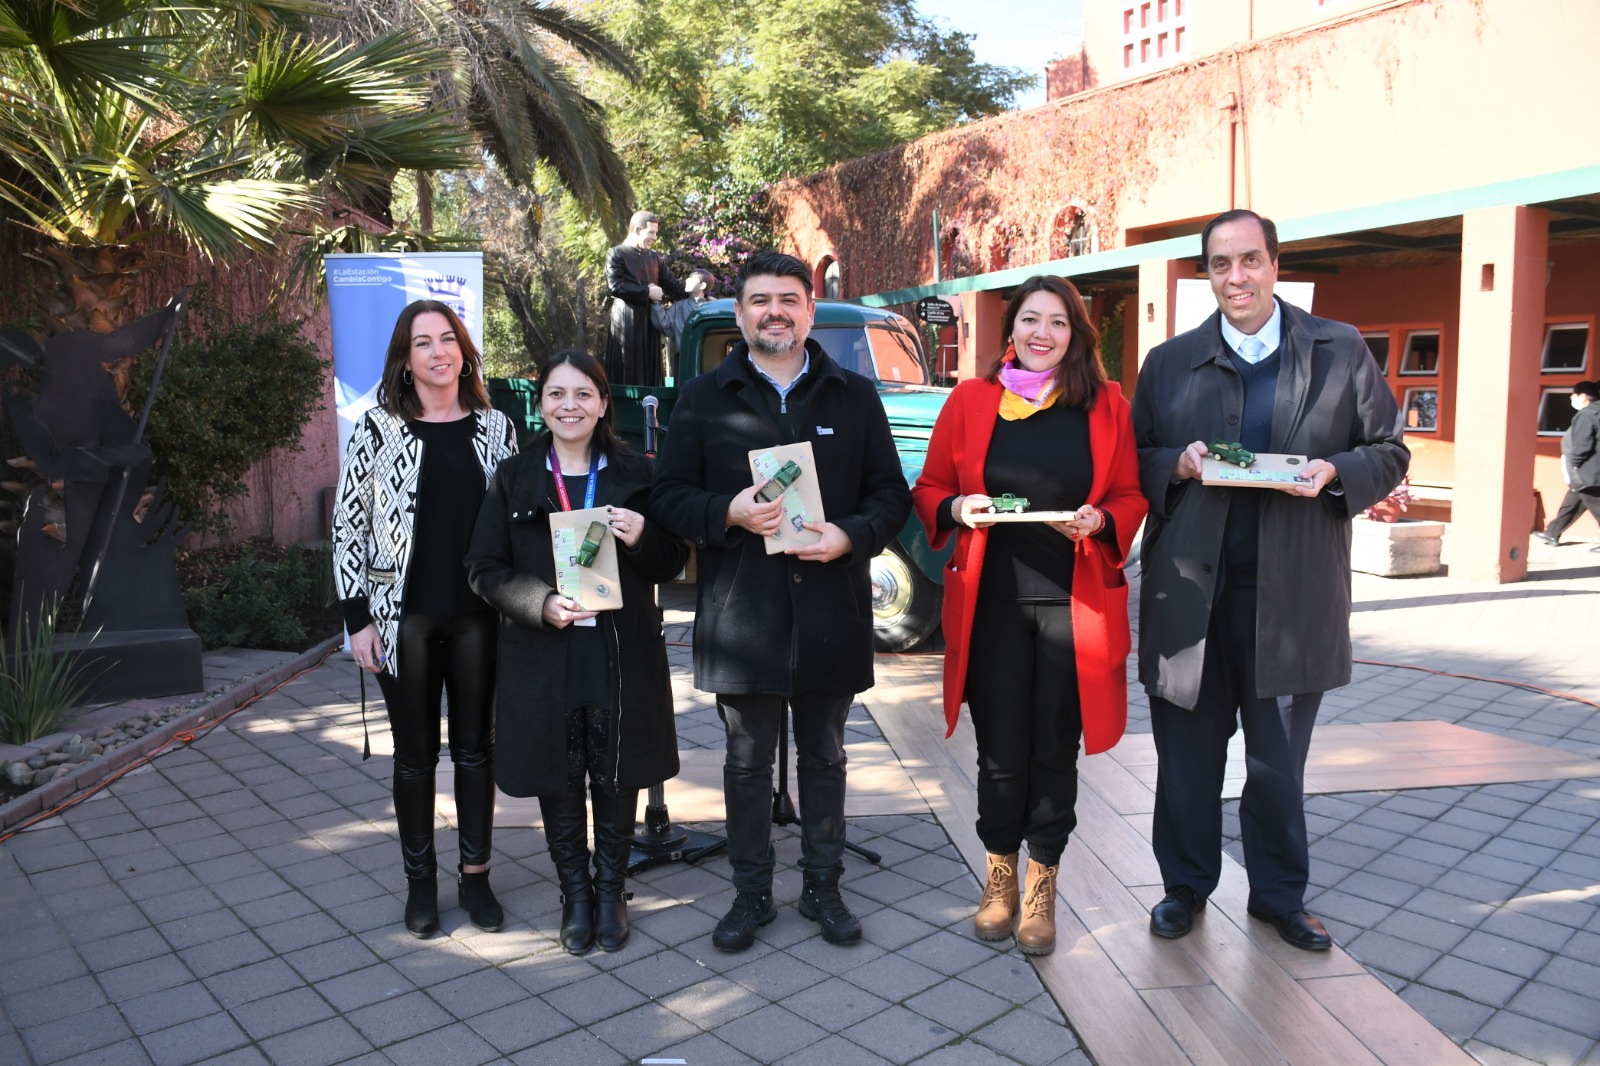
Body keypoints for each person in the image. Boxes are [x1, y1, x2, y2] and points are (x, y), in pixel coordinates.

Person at [1132, 209, 1409, 950]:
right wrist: (1176, 464)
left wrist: (1338, 472)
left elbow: (1388, 449)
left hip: (1292, 598)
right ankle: (1184, 889)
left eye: (1249, 260)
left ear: (1275, 265)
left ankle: (1279, 897)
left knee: (1277, 762)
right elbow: (1132, 461)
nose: (1236, 277)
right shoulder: (1168, 362)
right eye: (1221, 264)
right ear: (1208, 273)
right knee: (1186, 760)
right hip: (1190, 596)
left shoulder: (1339, 350)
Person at [650, 251, 912, 953]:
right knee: (745, 763)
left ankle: (823, 886)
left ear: (810, 309)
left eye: (789, 299)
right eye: (761, 300)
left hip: (831, 613)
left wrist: (849, 537)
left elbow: (893, 497)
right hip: (744, 620)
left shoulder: (854, 395)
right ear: (741, 314)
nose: (775, 311)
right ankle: (752, 893)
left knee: (825, 757)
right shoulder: (705, 397)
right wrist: (728, 511)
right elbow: (669, 497)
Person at [912, 276, 1146, 955]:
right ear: (1010, 329)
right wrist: (959, 509)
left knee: (1053, 751)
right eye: (1031, 320)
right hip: (992, 607)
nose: (1043, 333)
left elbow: (1130, 496)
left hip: (1072, 608)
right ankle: (999, 881)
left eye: (1059, 323)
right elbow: (930, 488)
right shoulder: (971, 400)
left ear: (1078, 335)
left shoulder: (1107, 407)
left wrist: (1102, 519)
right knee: (1000, 753)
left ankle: (1042, 891)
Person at [466, 350, 688, 955]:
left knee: (617, 770)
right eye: (557, 394)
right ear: (541, 404)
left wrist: (643, 536)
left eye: (583, 394)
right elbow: (483, 568)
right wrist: (539, 602)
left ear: (602, 403)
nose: (570, 406)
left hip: (621, 650)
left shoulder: (636, 470)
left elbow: (673, 559)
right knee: (557, 772)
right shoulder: (514, 477)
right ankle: (575, 893)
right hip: (544, 649)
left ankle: (611, 889)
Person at [332, 299, 519, 938]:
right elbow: (347, 526)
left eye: (448, 339)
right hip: (400, 618)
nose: (439, 352)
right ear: (404, 360)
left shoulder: (497, 428)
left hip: (480, 617)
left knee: (476, 751)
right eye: (423, 343)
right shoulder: (377, 429)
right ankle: (421, 885)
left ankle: (476, 877)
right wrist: (357, 619)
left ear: (464, 350)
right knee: (414, 757)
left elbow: (519, 522)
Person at [606, 210, 686, 386]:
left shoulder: (654, 257)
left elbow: (675, 287)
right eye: (651, 232)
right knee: (627, 371)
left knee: (650, 374)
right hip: (626, 323)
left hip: (650, 325)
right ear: (636, 230)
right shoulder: (616, 253)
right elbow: (615, 286)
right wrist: (647, 293)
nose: (655, 237)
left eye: (655, 232)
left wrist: (701, 294)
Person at [1535, 380, 1600, 548]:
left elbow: (1582, 444)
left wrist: (1575, 464)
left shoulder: (1587, 415)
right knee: (1574, 500)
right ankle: (1552, 532)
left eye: (1574, 395)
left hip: (1588, 471)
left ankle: (1552, 532)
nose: (1572, 398)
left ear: (1583, 396)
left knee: (1595, 504)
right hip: (1589, 472)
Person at [653, 269, 715, 379]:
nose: (687, 280)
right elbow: (665, 325)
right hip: (683, 359)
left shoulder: (712, 308)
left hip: (708, 358)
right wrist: (655, 303)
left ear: (702, 285)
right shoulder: (679, 306)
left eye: (692, 278)